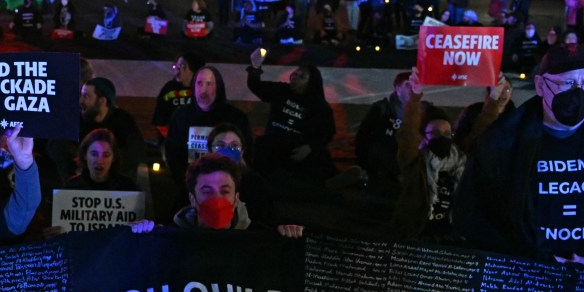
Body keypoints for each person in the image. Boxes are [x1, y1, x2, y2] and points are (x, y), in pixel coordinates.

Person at [455, 45, 584, 267]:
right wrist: (535, 259)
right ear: (540, 86)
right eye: (568, 83)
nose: (578, 93)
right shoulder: (502, 142)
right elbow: (474, 216)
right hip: (527, 281)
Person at [391, 69, 511, 242]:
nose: (443, 137)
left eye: (447, 132)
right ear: (424, 138)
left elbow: (481, 130)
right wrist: (415, 96)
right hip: (419, 234)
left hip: (454, 236)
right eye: (436, 133)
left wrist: (494, 98)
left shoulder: (461, 161)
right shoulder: (415, 164)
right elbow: (408, 133)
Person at [130, 154, 303, 237]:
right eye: (207, 191)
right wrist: (137, 234)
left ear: (236, 199)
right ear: (192, 200)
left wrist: (288, 235)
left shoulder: (259, 238)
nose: (217, 198)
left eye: (225, 191)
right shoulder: (171, 237)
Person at [164, 65, 253, 207]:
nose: (203, 90)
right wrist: (187, 183)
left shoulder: (236, 117)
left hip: (228, 189)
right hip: (189, 188)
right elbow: (172, 152)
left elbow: (247, 153)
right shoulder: (181, 116)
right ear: (193, 87)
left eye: (209, 84)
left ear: (219, 88)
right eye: (199, 84)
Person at [247, 50, 336, 185]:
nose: (295, 77)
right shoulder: (282, 91)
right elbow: (256, 86)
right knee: (260, 147)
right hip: (274, 146)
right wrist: (255, 66)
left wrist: (310, 147)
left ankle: (332, 182)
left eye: (302, 77)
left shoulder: (320, 106)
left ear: (311, 82)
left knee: (322, 158)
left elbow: (328, 132)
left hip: (299, 150)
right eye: (295, 74)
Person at [48, 77, 145, 183]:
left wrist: (106, 166)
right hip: (79, 182)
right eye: (81, 95)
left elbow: (136, 152)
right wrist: (82, 160)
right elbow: (55, 145)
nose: (80, 101)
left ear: (102, 101)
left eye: (86, 96)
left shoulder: (123, 120)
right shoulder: (74, 118)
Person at [354, 71, 412, 192]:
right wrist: (363, 165)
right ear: (397, 87)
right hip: (380, 169)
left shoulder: (418, 113)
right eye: (407, 85)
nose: (411, 89)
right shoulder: (381, 109)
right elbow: (363, 137)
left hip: (404, 168)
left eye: (414, 85)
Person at [151, 52, 205, 142]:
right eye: (176, 67)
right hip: (170, 140)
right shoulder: (169, 89)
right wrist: (172, 138)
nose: (177, 70)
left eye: (182, 67)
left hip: (198, 140)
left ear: (194, 69)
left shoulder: (204, 89)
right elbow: (160, 119)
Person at [63, 129, 139, 191]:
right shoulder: (71, 187)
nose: (100, 160)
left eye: (106, 155)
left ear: (113, 158)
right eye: (94, 154)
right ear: (85, 155)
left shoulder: (128, 188)